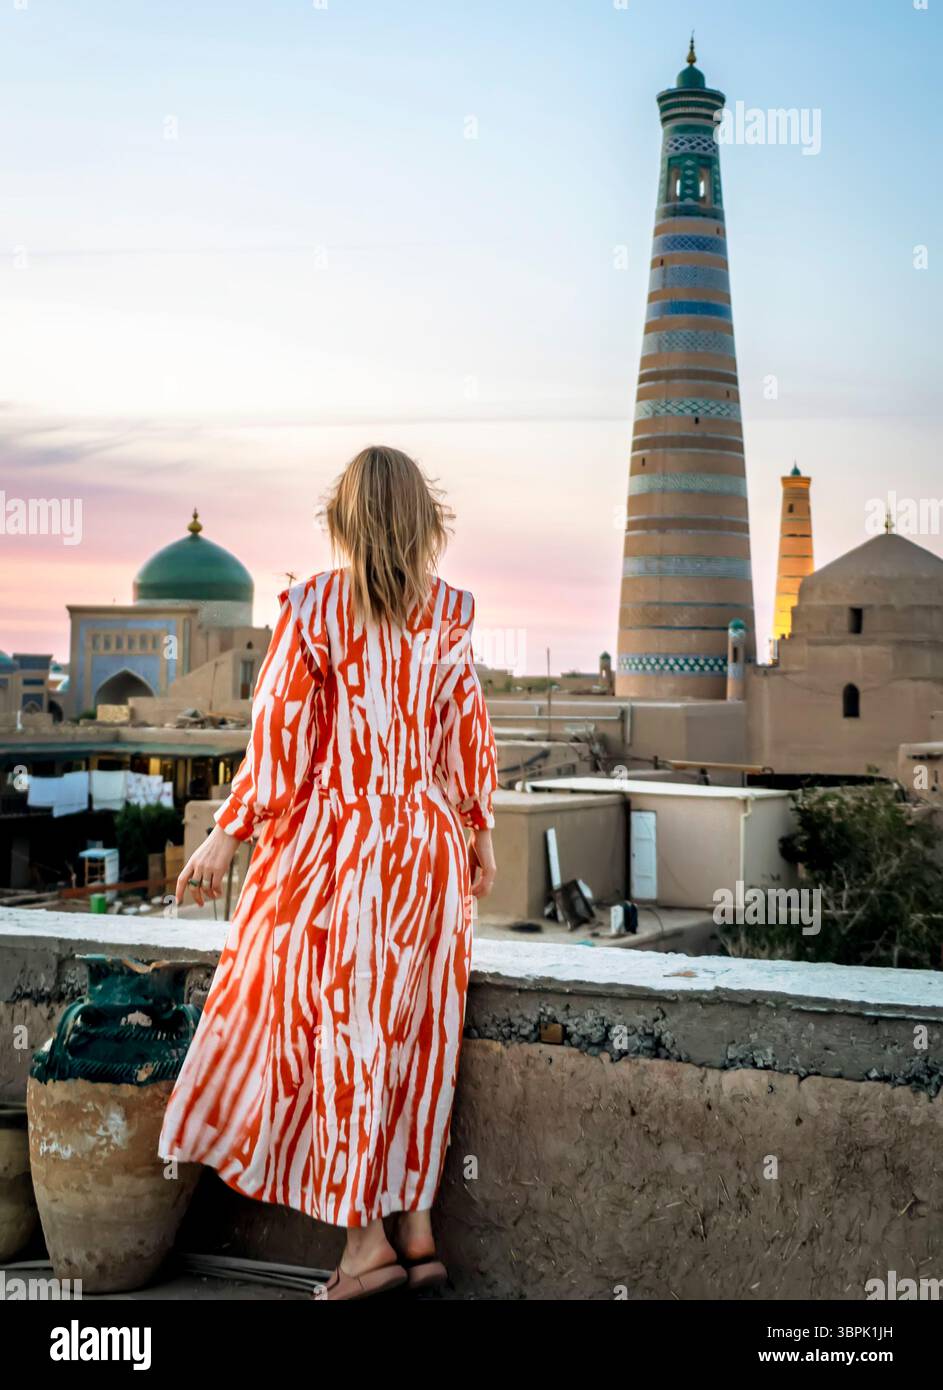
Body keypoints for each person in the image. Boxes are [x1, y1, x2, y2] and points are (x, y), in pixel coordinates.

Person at [159, 445, 498, 1300]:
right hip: (428, 844)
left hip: (343, 846)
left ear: (343, 519)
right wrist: (477, 831)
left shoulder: (314, 608)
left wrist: (226, 836)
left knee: (348, 1035)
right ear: (426, 521)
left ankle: (363, 1245)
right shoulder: (450, 612)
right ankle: (417, 1231)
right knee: (419, 1033)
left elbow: (279, 744)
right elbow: (467, 738)